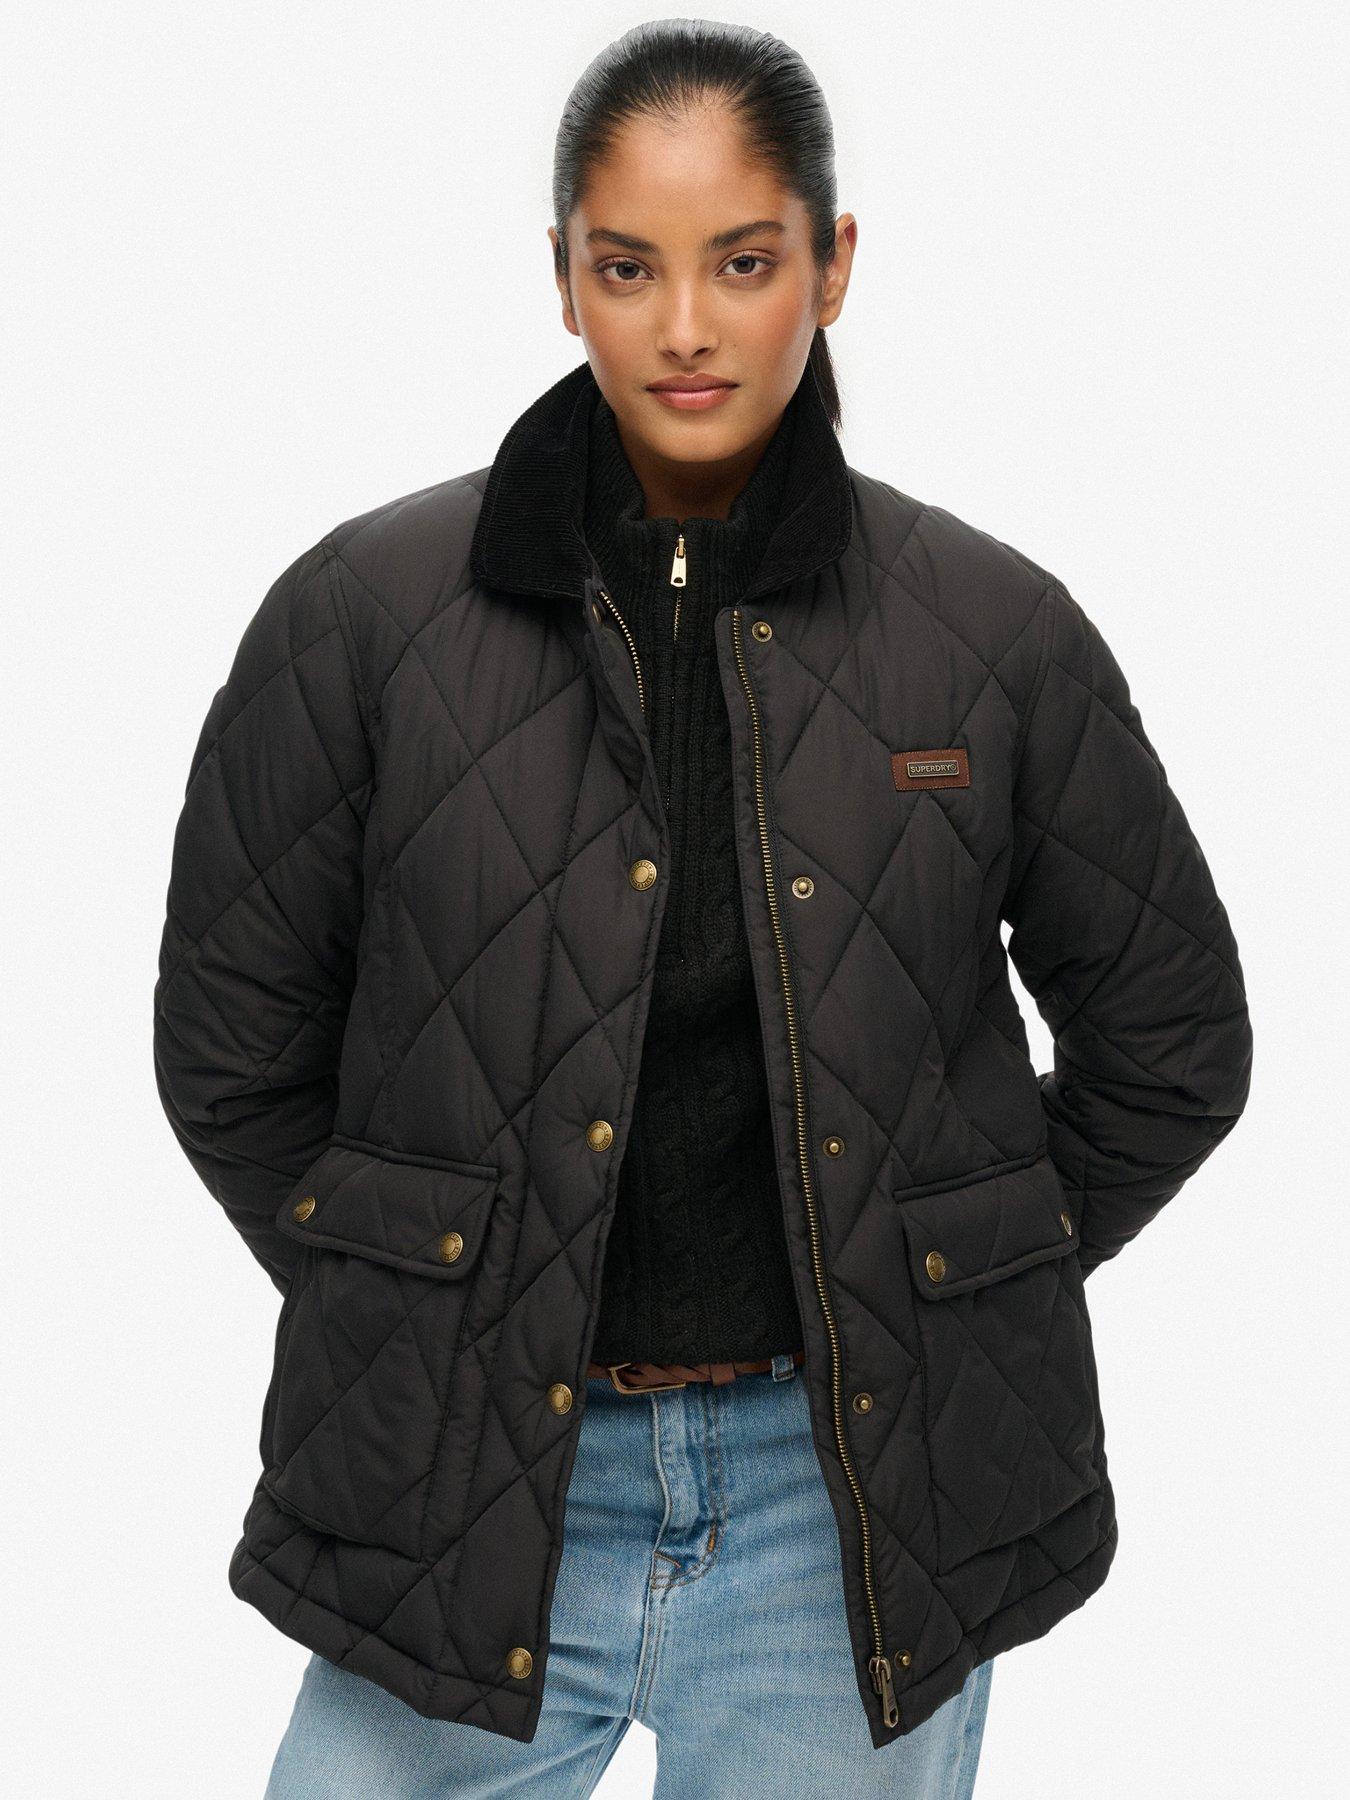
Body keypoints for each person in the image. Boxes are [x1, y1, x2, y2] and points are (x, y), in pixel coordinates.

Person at [151, 19, 1253, 1800]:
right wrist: (428, 1304)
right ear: (561, 280)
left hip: (851, 1508)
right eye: (627, 267)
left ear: (832, 265)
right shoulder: (359, 618)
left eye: (742, 262)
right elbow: (230, 1053)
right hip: (465, 1488)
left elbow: (1173, 1045)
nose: (684, 325)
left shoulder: (994, 634)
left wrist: (946, 1288)